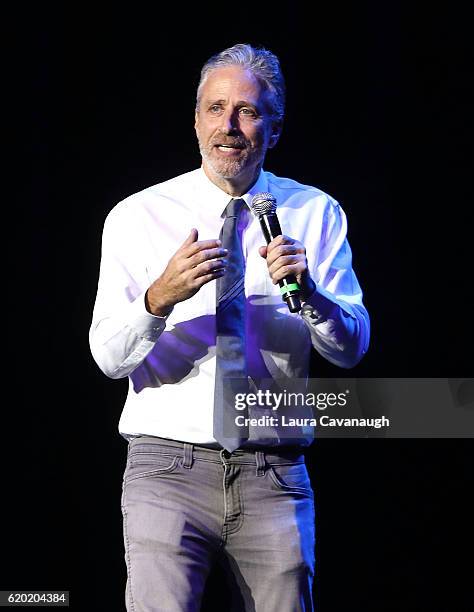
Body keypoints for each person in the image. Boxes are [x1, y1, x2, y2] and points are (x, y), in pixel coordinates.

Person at [89, 43, 370, 612]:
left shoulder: (316, 213)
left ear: (274, 126)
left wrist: (311, 296)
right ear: (196, 121)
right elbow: (107, 357)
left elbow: (352, 349)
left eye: (247, 111)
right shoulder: (138, 215)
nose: (230, 127)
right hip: (166, 469)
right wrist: (159, 297)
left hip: (275, 471)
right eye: (216, 109)